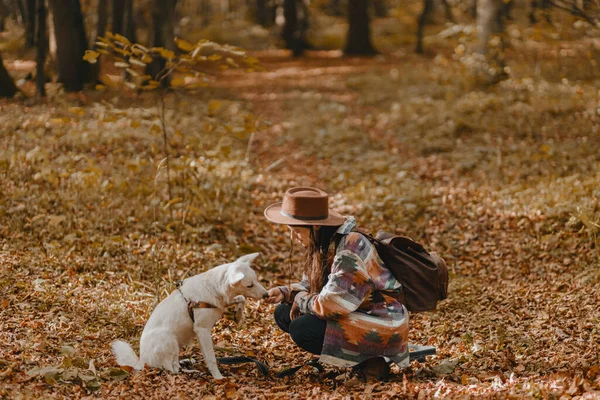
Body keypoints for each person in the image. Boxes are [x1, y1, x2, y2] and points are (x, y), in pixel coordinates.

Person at [263, 187, 409, 377]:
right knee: (283, 312)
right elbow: (310, 286)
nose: (293, 237)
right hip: (358, 310)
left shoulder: (349, 248)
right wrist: (286, 293)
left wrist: (298, 299)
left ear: (315, 226)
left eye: (297, 231)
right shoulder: (325, 242)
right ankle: (356, 357)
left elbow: (330, 305)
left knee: (302, 328)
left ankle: (372, 362)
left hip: (382, 321)